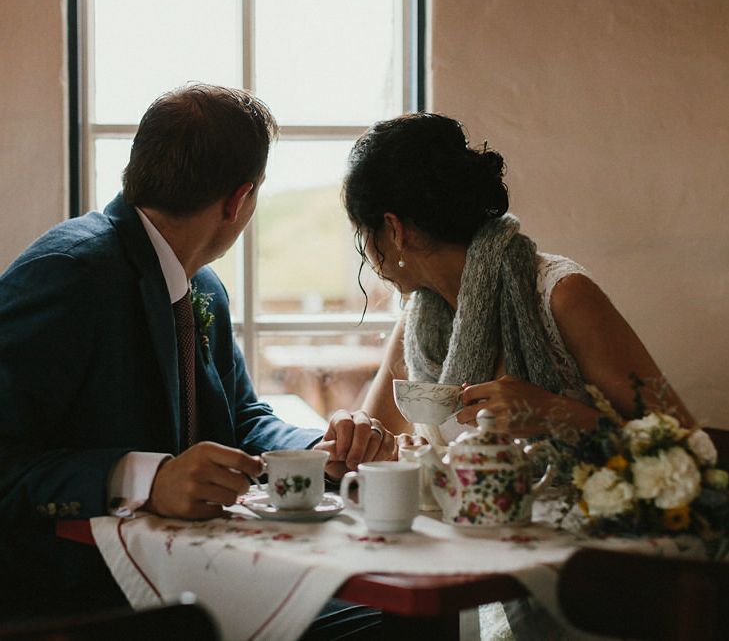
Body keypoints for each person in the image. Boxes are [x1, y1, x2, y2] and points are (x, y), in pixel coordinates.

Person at [0, 84, 395, 631]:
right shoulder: (68, 274)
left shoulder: (202, 286)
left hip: (197, 574)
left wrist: (316, 448)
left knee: (382, 615)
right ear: (239, 200)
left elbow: (243, 418)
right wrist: (144, 479)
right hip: (77, 600)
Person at [341, 112, 696, 639]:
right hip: (477, 572)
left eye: (362, 236)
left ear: (392, 230)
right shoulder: (417, 318)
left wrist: (559, 415)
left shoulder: (560, 295)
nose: (369, 257)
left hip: (596, 580)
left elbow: (689, 450)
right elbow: (380, 446)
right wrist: (356, 437)